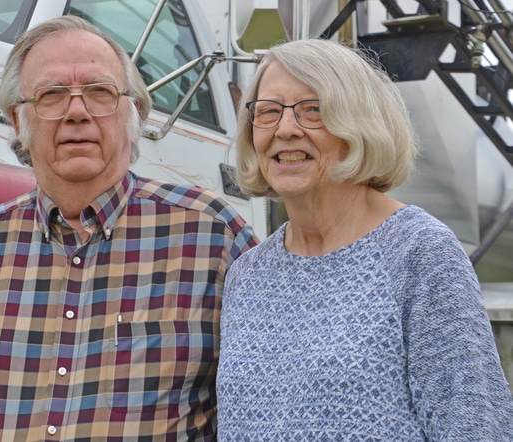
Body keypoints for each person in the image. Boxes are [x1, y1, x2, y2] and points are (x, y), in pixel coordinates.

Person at [0, 15, 259, 441]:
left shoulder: (211, 237)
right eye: (51, 95)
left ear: (134, 113)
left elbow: (272, 399)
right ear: (17, 121)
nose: (77, 112)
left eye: (100, 92)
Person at [216, 38, 513, 440]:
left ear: (359, 126)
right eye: (268, 112)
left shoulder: (417, 252)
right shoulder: (247, 274)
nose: (286, 129)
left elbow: (476, 428)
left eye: (313, 110)